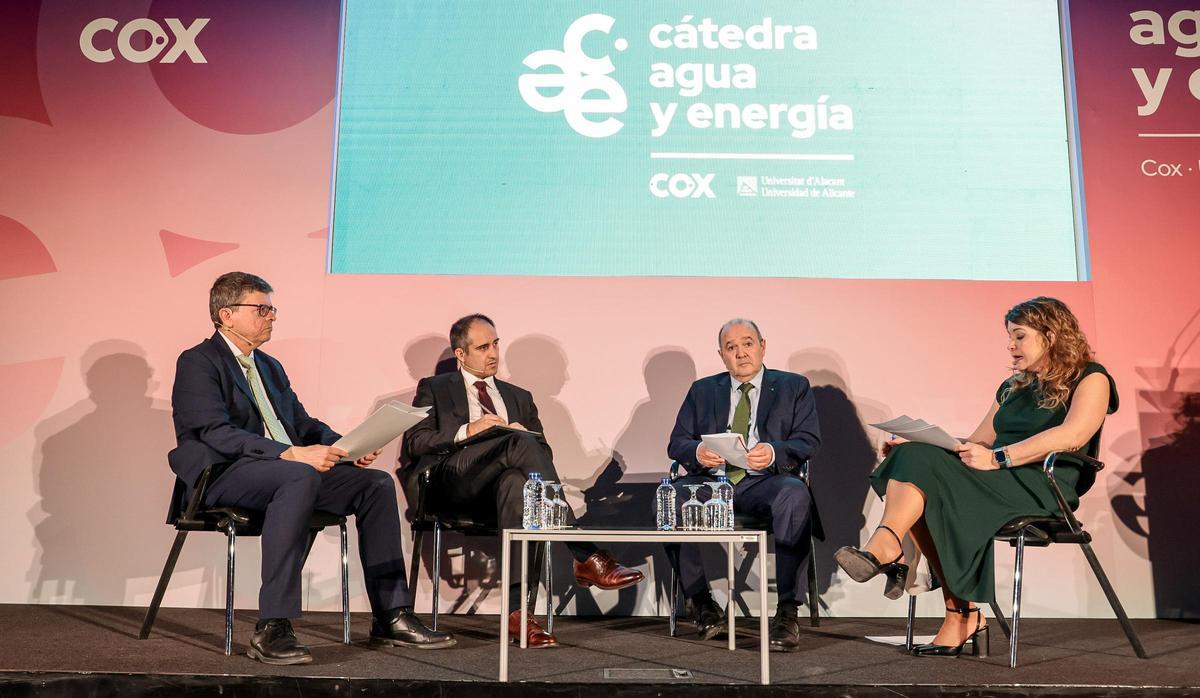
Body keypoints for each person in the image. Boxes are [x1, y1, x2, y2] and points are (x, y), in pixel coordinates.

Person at [170, 272, 454, 665]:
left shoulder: (268, 366)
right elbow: (213, 432)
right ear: (226, 315)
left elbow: (302, 424)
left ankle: (391, 614)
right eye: (262, 309)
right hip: (226, 473)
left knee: (373, 484)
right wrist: (290, 454)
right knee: (300, 474)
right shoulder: (198, 361)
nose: (272, 317)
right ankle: (273, 624)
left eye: (273, 309)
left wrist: (347, 447)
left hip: (285, 473)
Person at [836, 296, 1118, 658]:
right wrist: (923, 444)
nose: (1010, 345)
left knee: (927, 479)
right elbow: (978, 441)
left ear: (1050, 336)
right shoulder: (1013, 386)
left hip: (1041, 484)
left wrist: (999, 458)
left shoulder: (1091, 376)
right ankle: (941, 595)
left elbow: (1073, 435)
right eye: (1009, 337)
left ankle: (912, 569)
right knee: (913, 457)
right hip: (997, 475)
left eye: (1019, 336)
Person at [401, 314, 645, 648]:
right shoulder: (435, 388)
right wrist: (470, 430)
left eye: (496, 344)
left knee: (518, 484)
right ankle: (584, 553)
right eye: (483, 346)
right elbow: (416, 441)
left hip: (501, 494)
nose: (493, 353)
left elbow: (541, 451)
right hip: (452, 485)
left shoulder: (519, 397)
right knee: (517, 445)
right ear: (460, 354)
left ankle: (518, 615)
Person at [666, 319, 821, 652]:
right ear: (721, 354)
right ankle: (703, 605)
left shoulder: (794, 386)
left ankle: (787, 612)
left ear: (763, 346)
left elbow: (808, 441)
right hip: (713, 485)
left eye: (747, 344)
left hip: (766, 482)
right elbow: (677, 443)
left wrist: (775, 451)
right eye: (731, 347)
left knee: (794, 494)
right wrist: (697, 451)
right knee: (667, 500)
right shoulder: (703, 390)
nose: (740, 353)